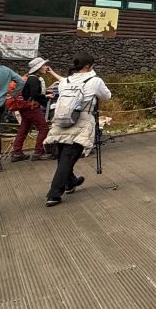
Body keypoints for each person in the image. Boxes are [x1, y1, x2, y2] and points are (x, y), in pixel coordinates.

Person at [44, 52, 111, 206]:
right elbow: (107, 96)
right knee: (68, 156)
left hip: (61, 119)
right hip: (81, 121)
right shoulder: (95, 81)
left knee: (62, 155)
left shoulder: (65, 81)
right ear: (88, 66)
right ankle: (54, 194)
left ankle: (70, 182)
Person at [10, 57, 51, 162]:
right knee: (44, 128)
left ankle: (17, 152)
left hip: (25, 107)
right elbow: (34, 94)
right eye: (44, 66)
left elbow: (28, 93)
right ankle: (39, 151)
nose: (46, 67)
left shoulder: (29, 78)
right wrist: (46, 97)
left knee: (24, 129)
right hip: (32, 107)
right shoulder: (34, 79)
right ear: (38, 68)